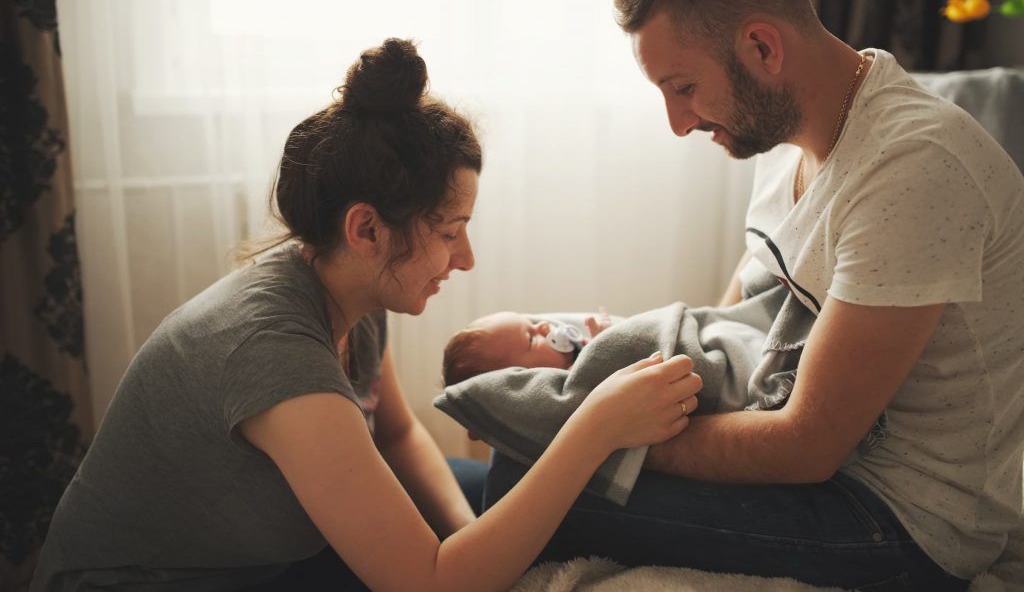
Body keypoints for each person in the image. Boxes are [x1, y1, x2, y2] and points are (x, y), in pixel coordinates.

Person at [31, 38, 703, 592]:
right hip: (151, 581)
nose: (464, 258)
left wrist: (465, 530)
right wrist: (592, 429)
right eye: (449, 231)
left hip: (270, 552)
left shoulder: (349, 292)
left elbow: (398, 433)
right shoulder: (274, 354)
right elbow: (432, 586)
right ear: (366, 229)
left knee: (512, 489)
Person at [483, 0, 1024, 590]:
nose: (679, 123)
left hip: (902, 519)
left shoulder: (914, 168)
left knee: (523, 476)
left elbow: (807, 446)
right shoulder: (787, 145)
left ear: (762, 48)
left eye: (683, 88)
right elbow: (731, 330)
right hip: (835, 476)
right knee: (527, 460)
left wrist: (598, 435)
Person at [442, 309, 616, 385]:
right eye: (532, 338)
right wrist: (603, 343)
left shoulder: (579, 351)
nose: (543, 325)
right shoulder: (560, 389)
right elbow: (593, 379)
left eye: (531, 323)